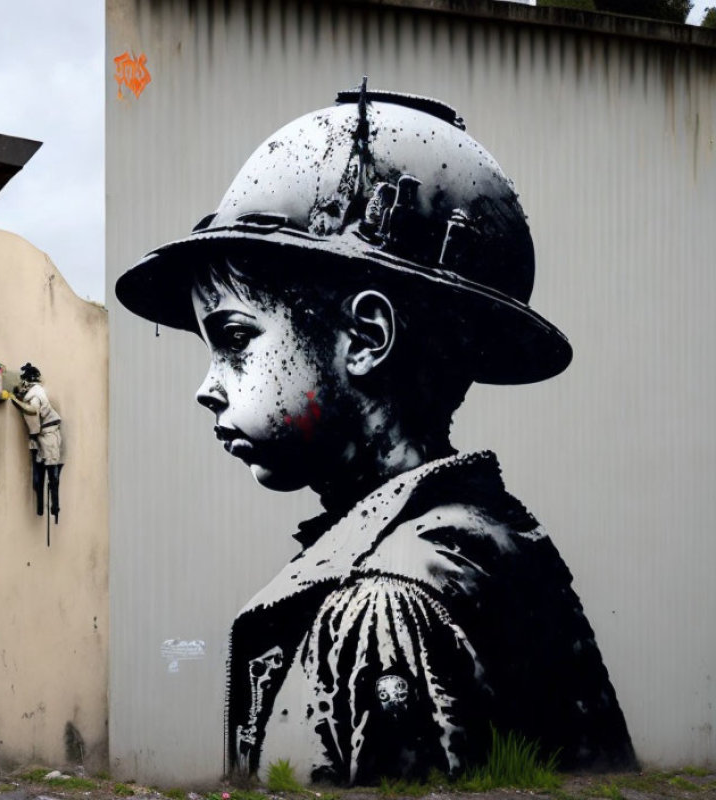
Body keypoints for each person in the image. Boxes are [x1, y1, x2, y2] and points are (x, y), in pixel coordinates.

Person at [116, 84, 636, 784]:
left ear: (365, 336)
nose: (207, 388)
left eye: (236, 339)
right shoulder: (486, 540)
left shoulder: (385, 605)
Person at [6, 362, 63, 522]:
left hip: (48, 435)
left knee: (51, 473)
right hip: (40, 437)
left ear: (27, 381)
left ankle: (54, 508)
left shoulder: (36, 394)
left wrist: (15, 401)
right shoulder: (31, 392)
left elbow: (33, 409)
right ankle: (41, 508)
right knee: (39, 474)